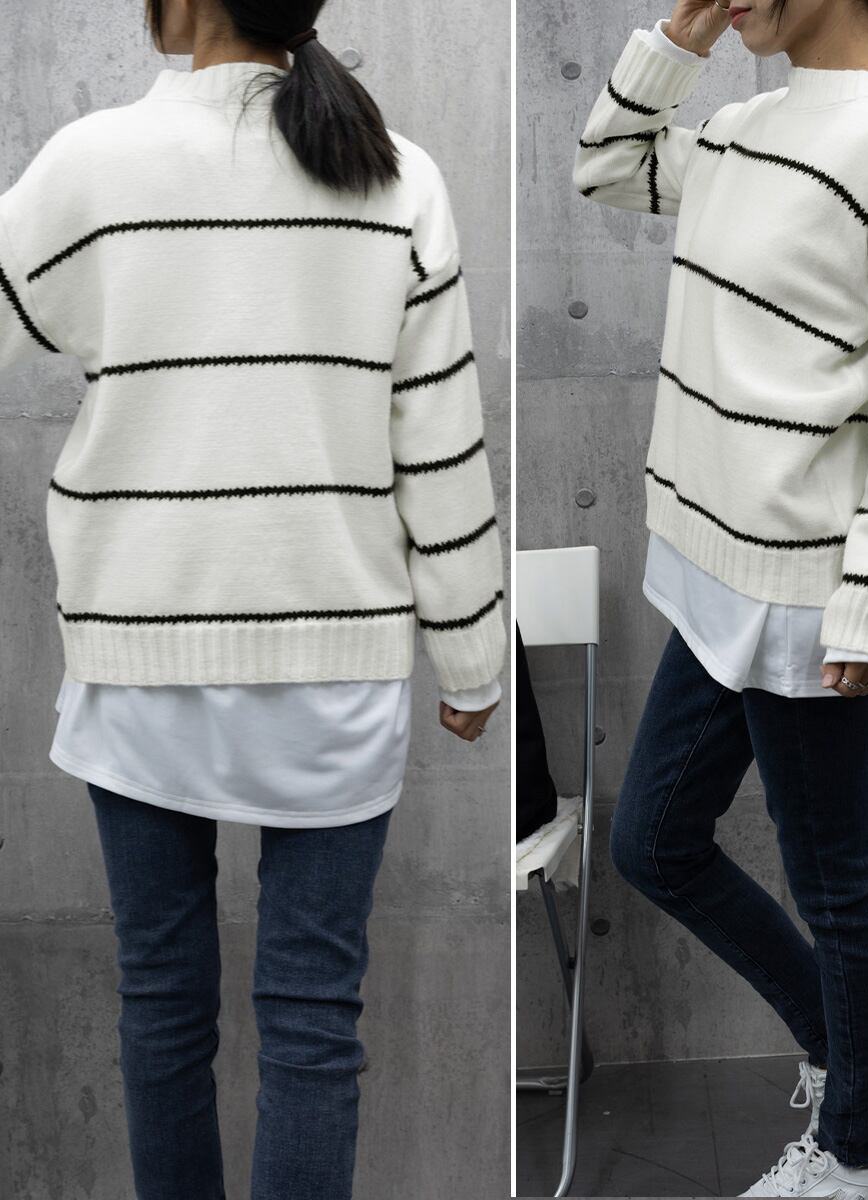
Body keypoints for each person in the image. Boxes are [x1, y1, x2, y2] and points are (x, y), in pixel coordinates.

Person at [0, 1, 506, 1197]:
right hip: (337, 664)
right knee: (314, 1020)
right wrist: (472, 655)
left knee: (162, 1005)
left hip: (141, 651)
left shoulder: (91, 165)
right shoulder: (398, 176)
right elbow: (438, 441)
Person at [573, 0, 868, 1196]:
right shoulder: (748, 128)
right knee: (652, 842)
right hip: (712, 568)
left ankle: (857, 1159)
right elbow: (607, 166)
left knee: (837, 884)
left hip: (802, 583)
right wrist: (681, 36)